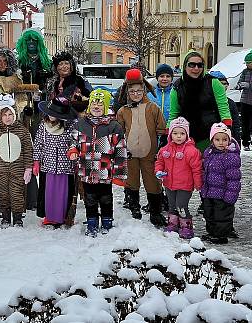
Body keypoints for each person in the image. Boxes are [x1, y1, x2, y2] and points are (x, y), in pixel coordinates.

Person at [69, 89, 128, 237]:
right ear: (89, 105)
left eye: (100, 104)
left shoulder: (114, 126)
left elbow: (120, 150)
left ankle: (107, 220)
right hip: (87, 169)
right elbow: (73, 142)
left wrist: (119, 173)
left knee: (105, 197)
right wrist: (73, 151)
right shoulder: (80, 124)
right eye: (94, 103)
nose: (96, 106)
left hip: (105, 170)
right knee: (90, 197)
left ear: (106, 106)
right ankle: (92, 221)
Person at [116, 69, 167, 227]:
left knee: (152, 181)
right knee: (132, 181)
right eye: (132, 91)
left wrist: (160, 148)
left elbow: (162, 130)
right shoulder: (123, 111)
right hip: (130, 153)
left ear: (144, 90)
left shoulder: (153, 108)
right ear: (127, 92)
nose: (136, 94)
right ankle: (134, 207)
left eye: (139, 91)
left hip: (149, 153)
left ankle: (155, 211)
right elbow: (119, 132)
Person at [168, 51, 232, 152]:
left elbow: (223, 107)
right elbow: (173, 114)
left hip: (210, 136)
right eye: (192, 65)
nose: (196, 68)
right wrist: (168, 132)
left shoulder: (213, 82)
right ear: (185, 66)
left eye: (200, 65)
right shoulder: (177, 87)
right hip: (186, 137)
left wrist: (227, 127)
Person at [0, 95, 33, 227]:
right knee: (2, 194)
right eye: (4, 115)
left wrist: (28, 167)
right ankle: (5, 217)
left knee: (17, 193)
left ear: (14, 114)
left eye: (10, 114)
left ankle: (17, 217)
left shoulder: (22, 131)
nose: (8, 117)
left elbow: (28, 150)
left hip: (17, 168)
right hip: (0, 169)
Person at [32, 97, 78, 228]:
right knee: (49, 192)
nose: (51, 116)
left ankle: (62, 216)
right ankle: (49, 217)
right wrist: (36, 161)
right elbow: (38, 144)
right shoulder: (43, 125)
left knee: (62, 193)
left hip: (65, 166)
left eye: (55, 114)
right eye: (50, 112)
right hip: (48, 165)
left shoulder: (70, 126)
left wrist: (73, 150)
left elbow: (74, 142)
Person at [155, 117, 202, 239]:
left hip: (185, 185)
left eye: (182, 133)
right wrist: (159, 171)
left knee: (181, 205)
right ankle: (173, 223)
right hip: (169, 183)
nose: (179, 136)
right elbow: (159, 162)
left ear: (187, 134)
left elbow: (196, 169)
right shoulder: (165, 149)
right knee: (171, 205)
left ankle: (186, 226)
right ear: (170, 134)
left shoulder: (192, 151)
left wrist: (198, 184)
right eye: (175, 133)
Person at [200, 123, 241, 244]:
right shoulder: (209, 153)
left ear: (229, 140)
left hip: (223, 194)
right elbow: (205, 171)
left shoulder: (230, 157)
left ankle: (221, 236)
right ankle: (212, 232)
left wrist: (231, 195)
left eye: (224, 139)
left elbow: (234, 178)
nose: (221, 142)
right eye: (217, 139)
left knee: (222, 216)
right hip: (209, 192)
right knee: (209, 213)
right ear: (212, 140)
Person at [0, 47, 31, 133]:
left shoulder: (16, 80)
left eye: (5, 61)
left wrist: (22, 111)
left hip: (13, 120)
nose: (2, 64)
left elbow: (21, 99)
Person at [209, 71, 243, 146]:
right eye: (220, 83)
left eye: (225, 83)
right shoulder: (205, 102)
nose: (223, 86)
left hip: (224, 143)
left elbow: (236, 125)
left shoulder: (231, 103)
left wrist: (237, 143)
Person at [236, 51, 252, 151]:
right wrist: (239, 85)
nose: (246, 64)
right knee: (245, 122)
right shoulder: (245, 71)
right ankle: (245, 142)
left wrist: (249, 85)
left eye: (248, 62)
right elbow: (240, 81)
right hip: (245, 100)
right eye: (246, 63)